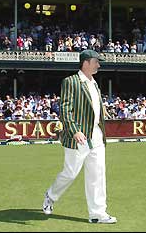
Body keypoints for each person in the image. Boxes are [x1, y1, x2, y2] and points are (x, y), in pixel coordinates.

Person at [42, 49, 117, 224]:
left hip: (96, 135)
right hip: (79, 136)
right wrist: (75, 130)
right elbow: (65, 109)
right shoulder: (70, 82)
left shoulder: (95, 83)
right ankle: (50, 196)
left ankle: (97, 214)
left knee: (97, 174)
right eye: (96, 61)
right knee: (70, 173)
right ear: (86, 63)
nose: (99, 65)